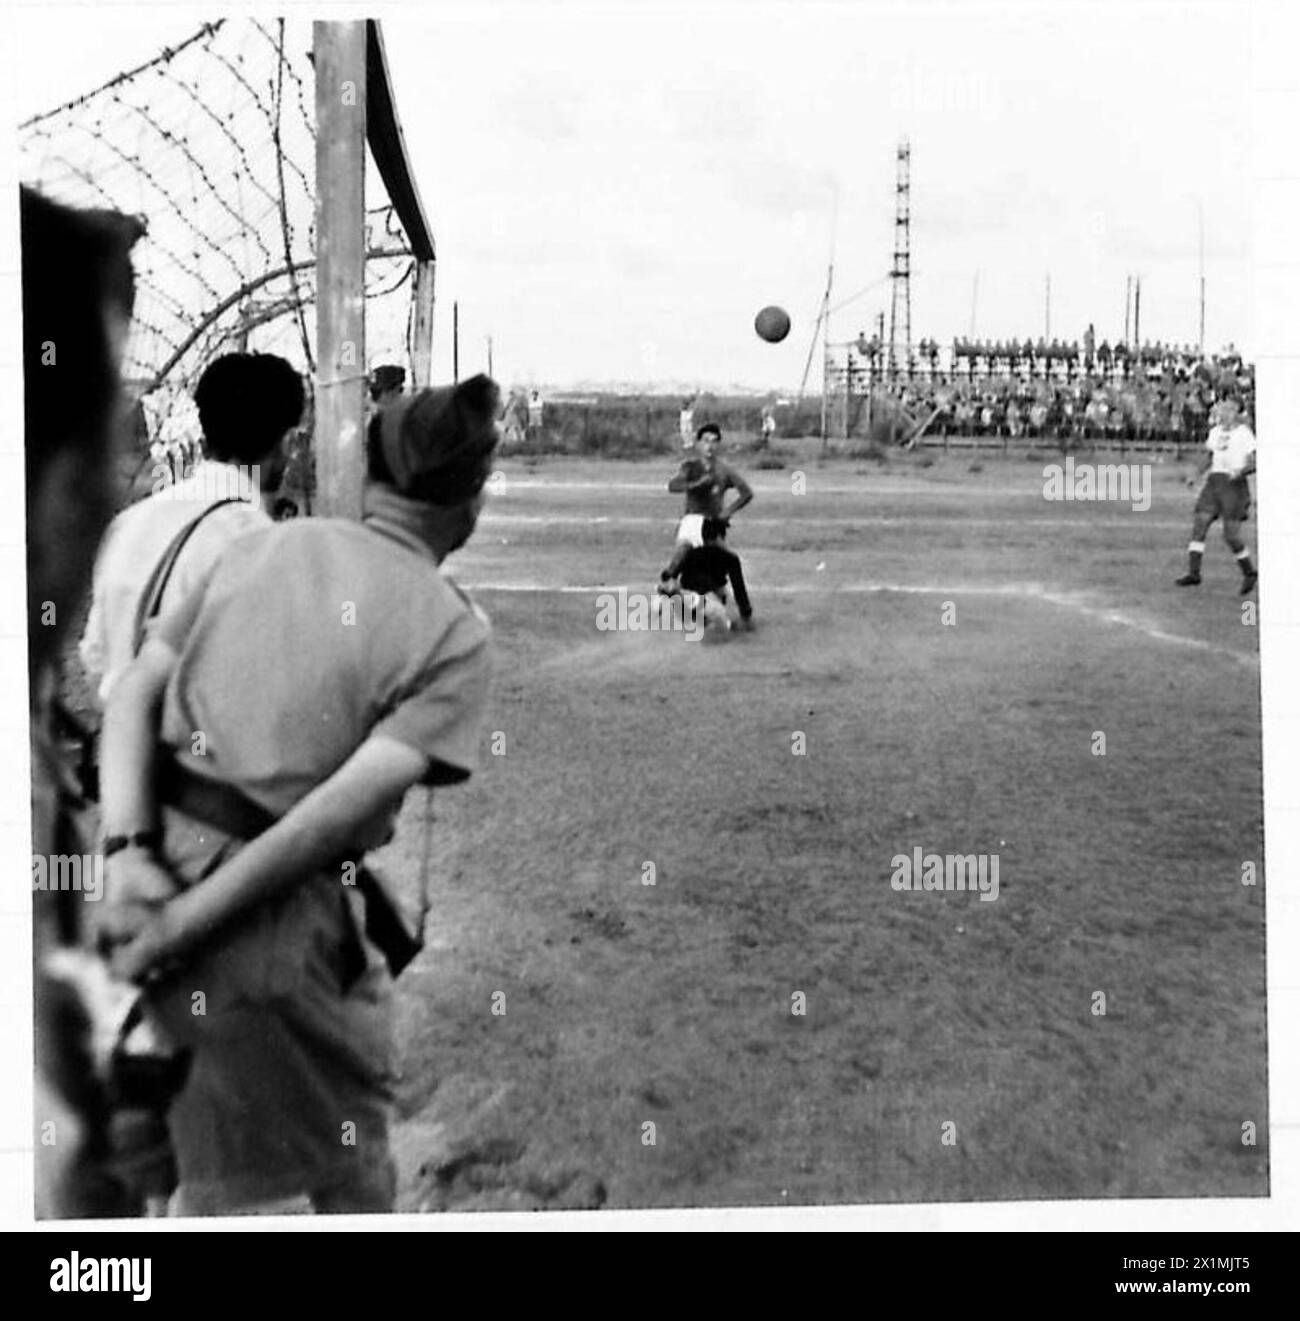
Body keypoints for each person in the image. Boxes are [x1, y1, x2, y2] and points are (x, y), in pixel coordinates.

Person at [95, 374, 501, 1215]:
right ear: (471, 500)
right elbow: (326, 822)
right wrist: (182, 927)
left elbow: (131, 692)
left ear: (375, 478)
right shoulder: (452, 631)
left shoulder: (258, 545)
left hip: (148, 861)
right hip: (268, 925)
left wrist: (128, 859)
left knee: (168, 1156)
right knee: (336, 1169)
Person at [79, 353, 303, 709]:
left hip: (120, 750)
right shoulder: (256, 540)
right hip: (204, 755)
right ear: (288, 443)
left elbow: (95, 660)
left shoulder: (129, 523)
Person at [1175, 385, 1257, 593]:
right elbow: (1210, 457)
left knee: (1231, 536)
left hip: (1234, 485)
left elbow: (1254, 461)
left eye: (1230, 409)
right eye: (1223, 408)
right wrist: (1196, 475)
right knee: (1200, 523)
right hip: (1214, 483)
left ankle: (1249, 572)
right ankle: (1194, 574)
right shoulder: (1215, 432)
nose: (1224, 413)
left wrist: (1242, 471)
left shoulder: (1244, 434)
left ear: (1237, 413)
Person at [658, 516, 754, 632]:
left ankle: (682, 605)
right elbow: (739, 590)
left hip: (688, 597)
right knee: (720, 619)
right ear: (720, 537)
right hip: (707, 601)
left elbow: (669, 576)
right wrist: (746, 613)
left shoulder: (691, 553)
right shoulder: (730, 559)